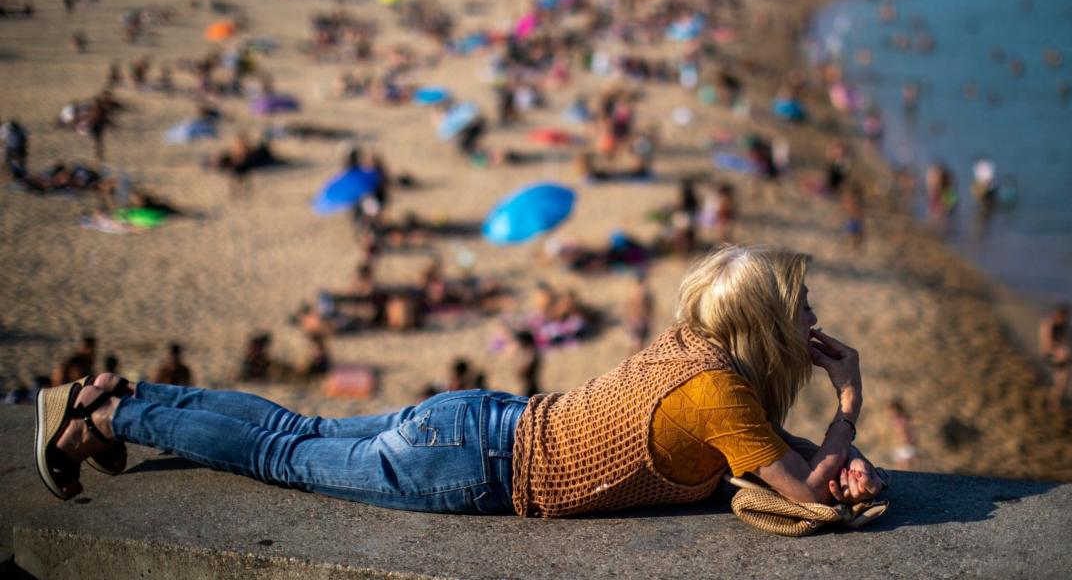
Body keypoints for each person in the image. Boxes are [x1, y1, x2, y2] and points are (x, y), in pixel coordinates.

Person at [34, 246, 888, 517]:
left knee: (291, 432)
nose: (812, 311)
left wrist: (817, 448)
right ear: (767, 323)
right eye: (799, 301)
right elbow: (805, 499)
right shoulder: (722, 392)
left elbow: (753, 452)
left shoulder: (692, 345)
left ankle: (123, 400)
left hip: (476, 422)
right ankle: (107, 415)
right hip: (474, 466)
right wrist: (846, 408)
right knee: (279, 453)